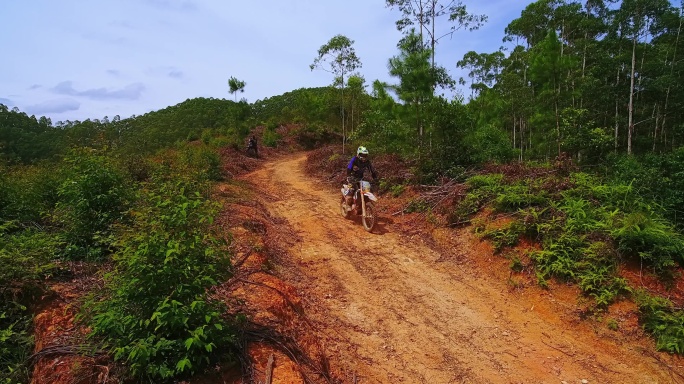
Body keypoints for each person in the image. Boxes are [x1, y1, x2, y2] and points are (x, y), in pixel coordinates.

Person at [344, 146, 379, 211]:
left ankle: (363, 204)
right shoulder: (354, 159)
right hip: (352, 177)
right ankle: (348, 205)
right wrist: (348, 176)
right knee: (351, 189)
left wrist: (375, 178)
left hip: (360, 178)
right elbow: (349, 167)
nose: (364, 157)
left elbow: (372, 170)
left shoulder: (367, 162)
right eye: (362, 155)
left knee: (367, 189)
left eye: (365, 155)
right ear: (358, 154)